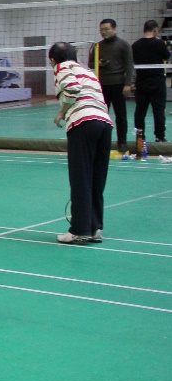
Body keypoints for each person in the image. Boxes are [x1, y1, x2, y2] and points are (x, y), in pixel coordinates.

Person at [51, 42, 113, 243]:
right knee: (96, 179)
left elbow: (72, 88)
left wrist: (61, 112)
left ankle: (79, 229)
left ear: (53, 60)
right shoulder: (88, 72)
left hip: (83, 124)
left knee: (81, 177)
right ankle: (94, 228)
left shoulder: (62, 66)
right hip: (104, 124)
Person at [91, 19, 134, 153]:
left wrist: (128, 84)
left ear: (114, 29)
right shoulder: (97, 46)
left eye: (106, 29)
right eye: (101, 30)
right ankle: (102, 141)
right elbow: (91, 64)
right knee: (101, 115)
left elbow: (129, 65)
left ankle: (122, 142)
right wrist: (98, 63)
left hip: (118, 85)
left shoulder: (124, 45)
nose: (103, 32)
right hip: (102, 86)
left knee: (121, 116)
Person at [131, 19, 169, 144]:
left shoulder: (135, 45)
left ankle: (140, 138)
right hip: (157, 82)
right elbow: (167, 56)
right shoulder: (159, 43)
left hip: (141, 82)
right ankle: (160, 137)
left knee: (140, 111)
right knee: (158, 111)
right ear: (155, 30)